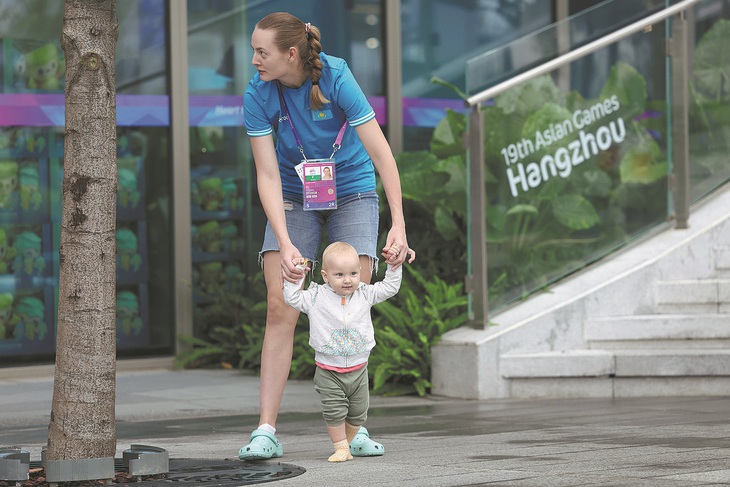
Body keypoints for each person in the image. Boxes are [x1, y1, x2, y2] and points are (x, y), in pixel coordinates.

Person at [238, 11, 414, 461]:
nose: (254, 59)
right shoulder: (259, 92)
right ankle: (265, 430)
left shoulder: (336, 76)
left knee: (350, 300)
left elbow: (381, 154)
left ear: (290, 54)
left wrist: (398, 221)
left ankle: (354, 428)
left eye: (262, 51)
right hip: (294, 195)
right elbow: (266, 174)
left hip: (353, 191)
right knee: (280, 303)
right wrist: (284, 239)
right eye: (254, 50)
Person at [283, 242, 403, 462]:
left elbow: (390, 288)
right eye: (339, 274)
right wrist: (299, 273)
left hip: (359, 368)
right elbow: (292, 298)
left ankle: (345, 444)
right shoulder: (316, 295)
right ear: (325, 276)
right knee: (334, 411)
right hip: (328, 370)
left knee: (359, 412)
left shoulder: (364, 294)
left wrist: (394, 267)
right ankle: (340, 448)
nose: (348, 280)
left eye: (353, 274)